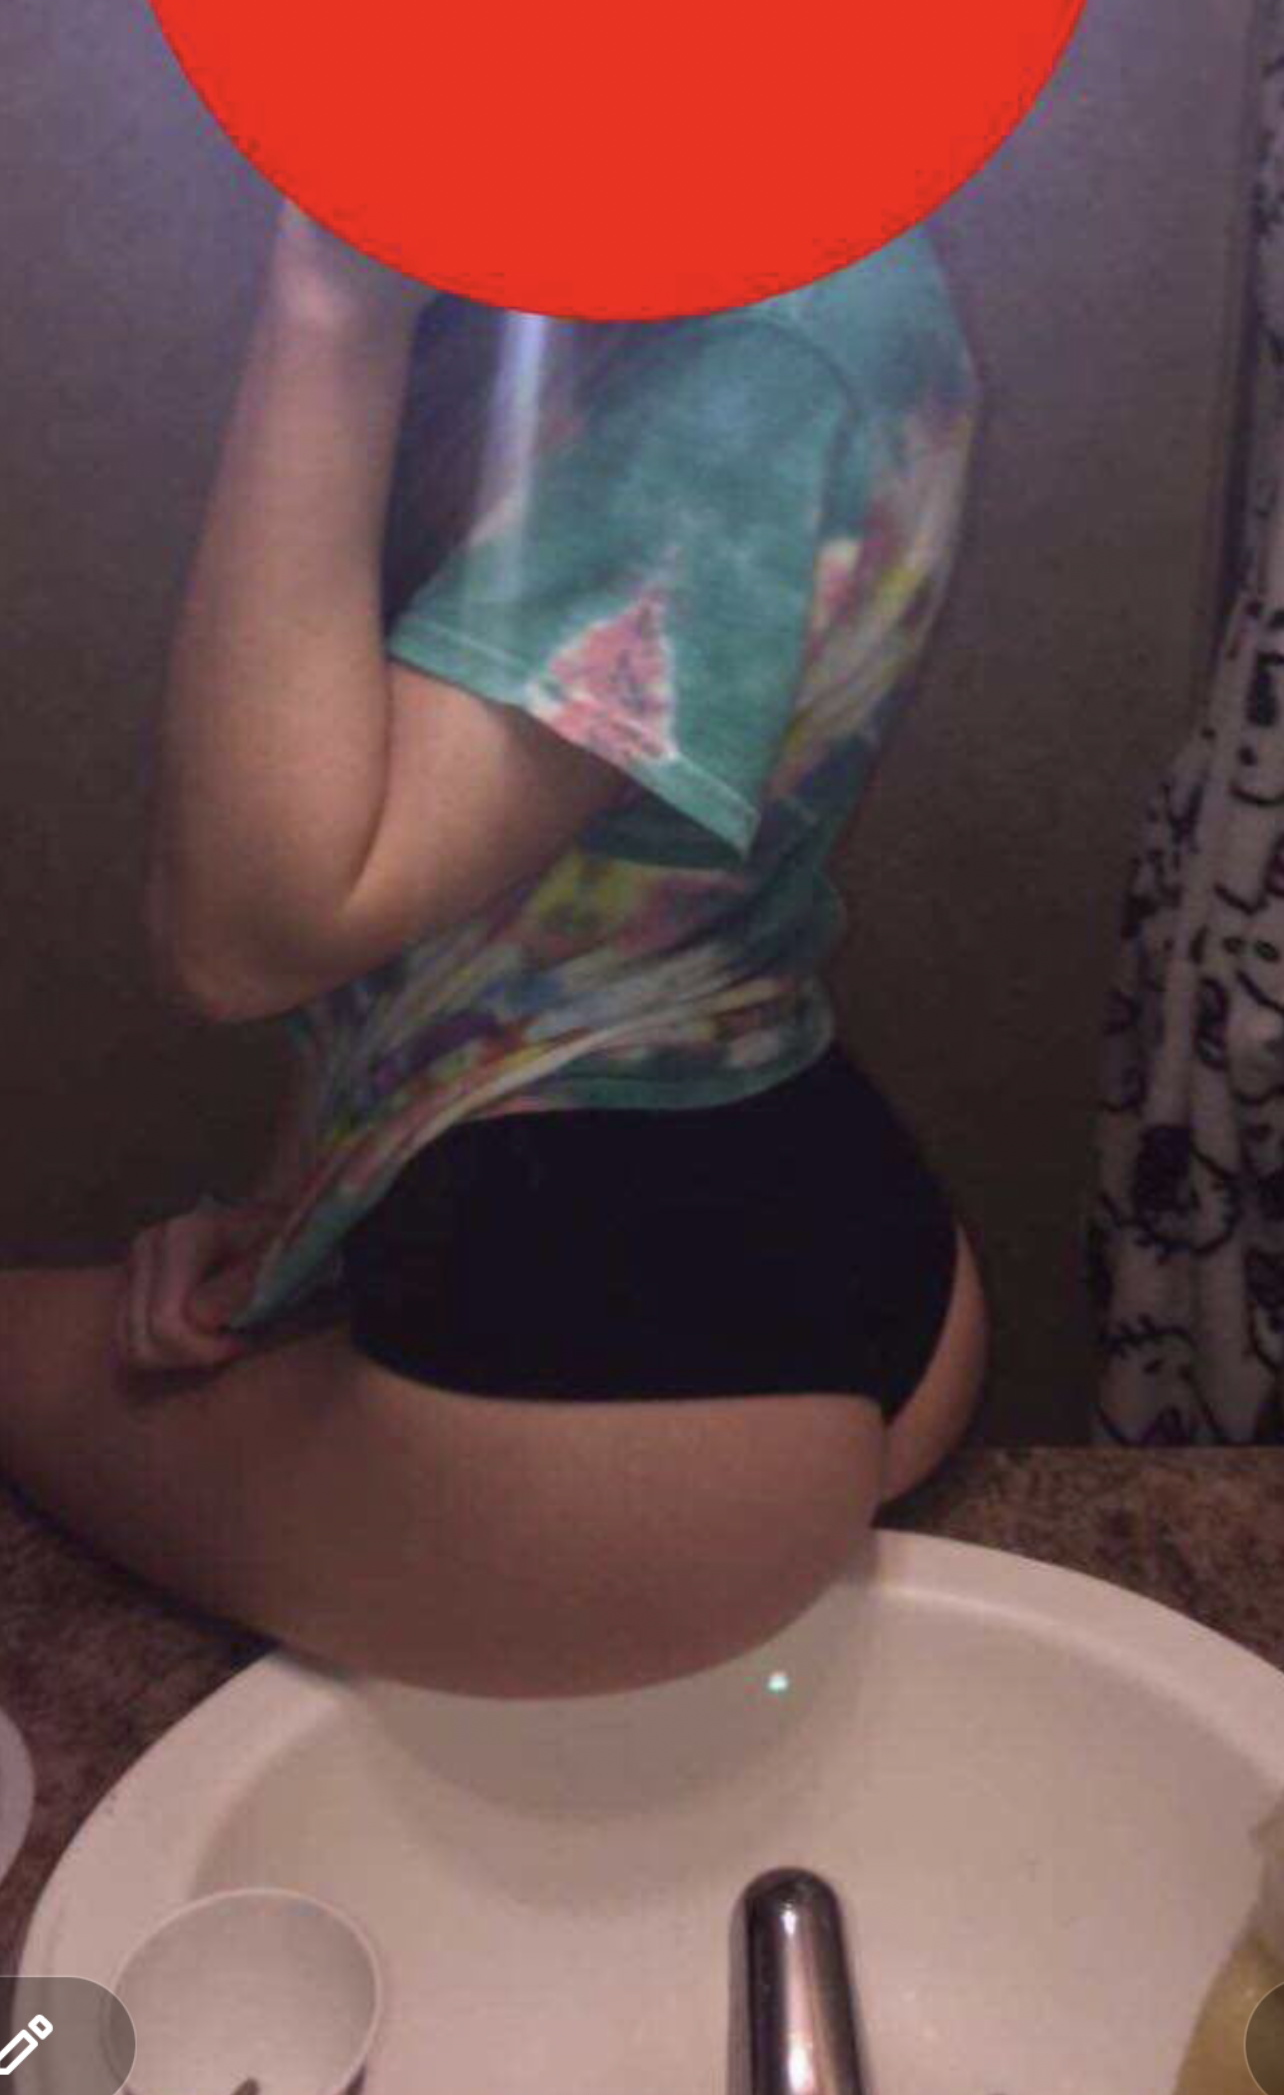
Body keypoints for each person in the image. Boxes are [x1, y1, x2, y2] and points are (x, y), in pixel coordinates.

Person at [0, 202, 989, 1697]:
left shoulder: (774, 337)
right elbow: (492, 899)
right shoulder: (706, 260)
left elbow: (247, 933)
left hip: (614, 1383)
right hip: (738, 1209)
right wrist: (310, 1209)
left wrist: (328, 305)